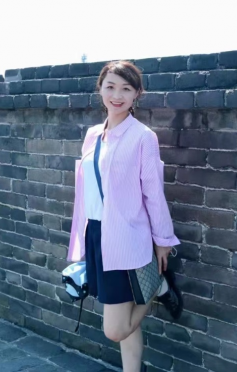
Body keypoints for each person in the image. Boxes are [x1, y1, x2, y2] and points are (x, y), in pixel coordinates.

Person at [67, 60, 183, 372]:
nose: (117, 95)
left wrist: (163, 241)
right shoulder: (93, 135)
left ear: (136, 95)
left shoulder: (142, 137)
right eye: (111, 87)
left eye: (126, 89)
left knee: (115, 329)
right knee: (125, 320)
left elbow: (153, 193)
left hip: (126, 237)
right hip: (96, 234)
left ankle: (158, 285)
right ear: (100, 90)